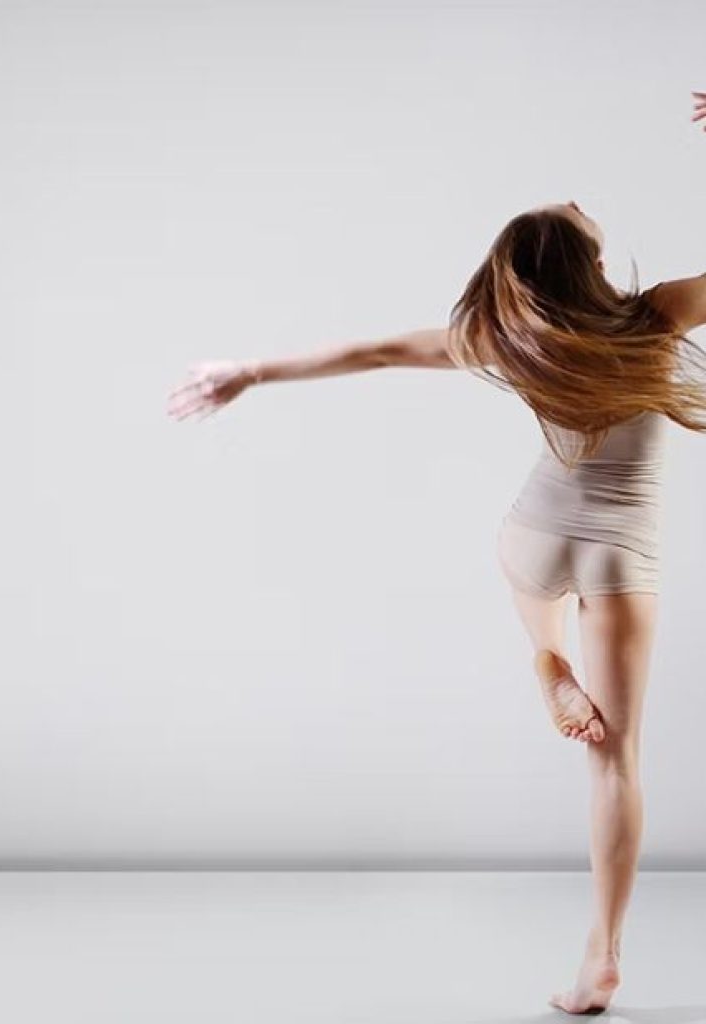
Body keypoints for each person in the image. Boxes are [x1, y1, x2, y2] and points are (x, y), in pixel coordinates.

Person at [166, 91, 706, 1017]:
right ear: (590, 260)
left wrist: (251, 370)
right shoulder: (655, 317)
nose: (578, 200)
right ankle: (601, 960)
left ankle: (545, 658)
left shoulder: (510, 338)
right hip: (624, 555)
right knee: (615, 763)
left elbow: (378, 351)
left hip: (539, 534)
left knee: (519, 566)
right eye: (573, 212)